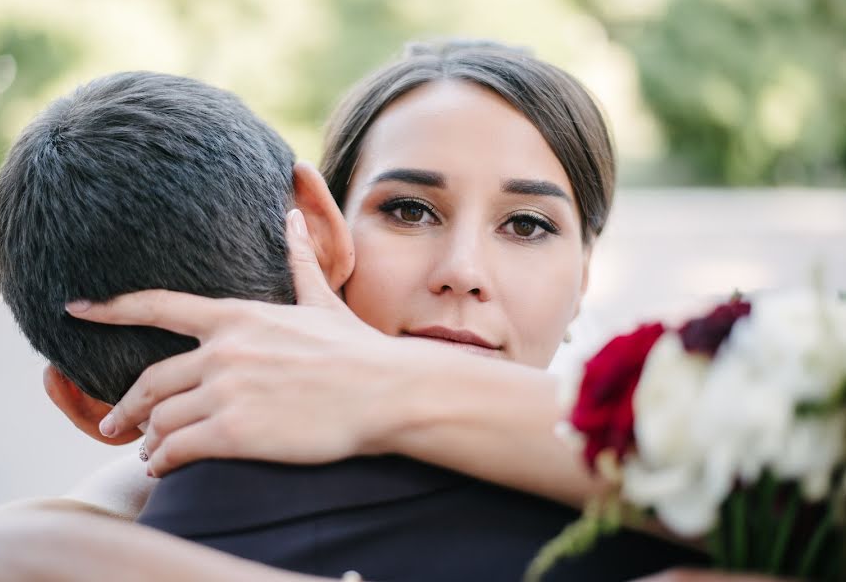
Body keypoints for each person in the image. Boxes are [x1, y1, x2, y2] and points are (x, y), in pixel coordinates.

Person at [50, 41, 701, 580]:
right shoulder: (162, 518)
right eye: (408, 211)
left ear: (583, 276)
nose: (462, 272)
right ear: (321, 232)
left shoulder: (715, 493)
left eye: (527, 225)